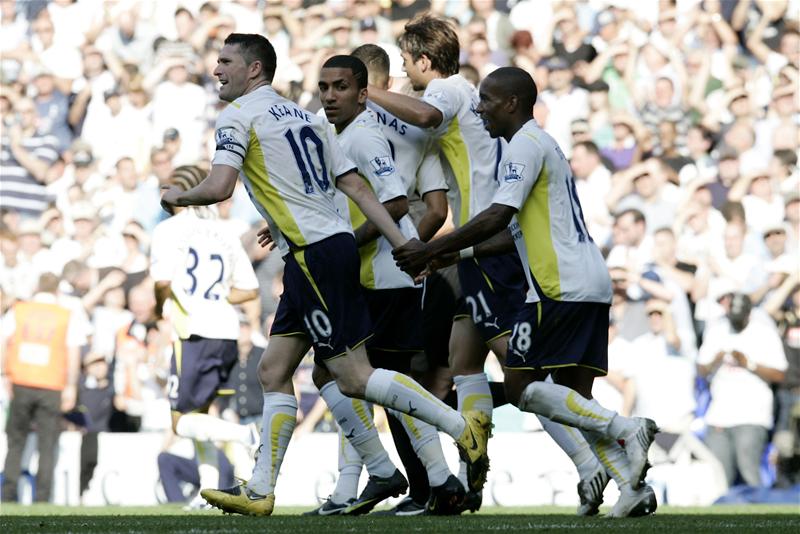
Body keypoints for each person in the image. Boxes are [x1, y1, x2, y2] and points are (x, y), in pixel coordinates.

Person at [159, 33, 490, 517]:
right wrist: (403, 244)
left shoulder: (239, 116)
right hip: (317, 253)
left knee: (354, 376)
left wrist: (174, 197)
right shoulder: (301, 116)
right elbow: (355, 186)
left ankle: (461, 430)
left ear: (254, 70)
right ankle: (264, 490)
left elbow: (219, 185)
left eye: (226, 61)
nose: (216, 70)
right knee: (273, 369)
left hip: (315, 254)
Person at [364, 14, 610, 516]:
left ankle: (594, 461)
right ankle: (471, 473)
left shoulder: (451, 91)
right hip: (472, 249)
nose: (406, 75)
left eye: (408, 64)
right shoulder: (469, 98)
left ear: (425, 62)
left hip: (486, 243)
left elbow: (426, 118)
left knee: (525, 382)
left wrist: (367, 94)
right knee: (464, 362)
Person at [393, 66, 658, 518]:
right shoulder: (544, 144)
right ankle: (629, 487)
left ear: (512, 103)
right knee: (574, 399)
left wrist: (431, 248)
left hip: (558, 286)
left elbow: (496, 216)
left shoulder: (523, 147)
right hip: (589, 280)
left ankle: (625, 427)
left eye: (489, 101)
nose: (480, 109)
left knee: (523, 386)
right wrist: (452, 257)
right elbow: (508, 233)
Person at [301, 54, 461, 516]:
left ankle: (432, 478)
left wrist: (346, 244)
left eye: (341, 87)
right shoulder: (338, 130)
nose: (330, 96)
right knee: (344, 377)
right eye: (324, 87)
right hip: (372, 274)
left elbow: (393, 204)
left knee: (365, 378)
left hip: (383, 275)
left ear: (365, 89)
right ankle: (369, 483)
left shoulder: (368, 134)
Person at [150, 164, 262, 510]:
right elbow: (250, 289)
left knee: (181, 422)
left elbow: (162, 282)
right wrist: (216, 298)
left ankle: (246, 434)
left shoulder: (169, 230)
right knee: (202, 414)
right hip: (226, 331)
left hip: (193, 331)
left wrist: (159, 309)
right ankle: (208, 492)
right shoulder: (225, 233)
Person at [1, 272, 85, 503]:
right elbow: (73, 353)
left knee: (15, 441)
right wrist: (70, 387)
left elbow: (3, 342)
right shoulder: (65, 315)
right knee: (47, 444)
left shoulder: (20, 309)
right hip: (51, 385)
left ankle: (7, 496)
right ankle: (42, 498)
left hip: (20, 381)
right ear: (57, 290)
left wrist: (5, 374)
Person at [697, 293, 787, 488]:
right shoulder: (717, 331)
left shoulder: (764, 333)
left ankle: (760, 517)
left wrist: (750, 364)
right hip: (719, 415)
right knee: (719, 478)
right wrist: (716, 359)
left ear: (749, 314)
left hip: (752, 415)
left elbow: (780, 374)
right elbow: (701, 369)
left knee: (749, 471)